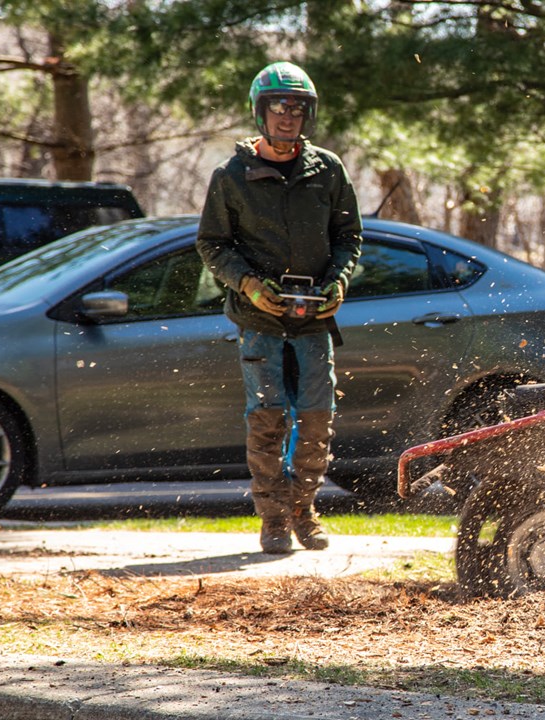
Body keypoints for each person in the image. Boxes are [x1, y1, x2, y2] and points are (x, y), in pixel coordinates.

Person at [197, 61, 362, 554]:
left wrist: (338, 283)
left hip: (314, 320)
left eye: (297, 108)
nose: (287, 117)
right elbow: (212, 244)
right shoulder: (231, 176)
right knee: (267, 418)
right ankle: (272, 518)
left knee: (315, 419)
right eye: (278, 107)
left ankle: (303, 511)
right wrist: (247, 285)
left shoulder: (328, 170)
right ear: (260, 112)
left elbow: (348, 237)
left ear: (307, 115)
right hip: (258, 321)